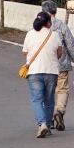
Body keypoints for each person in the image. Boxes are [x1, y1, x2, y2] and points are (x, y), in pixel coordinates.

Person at [22, 10, 62, 138]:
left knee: (37, 100)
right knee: (49, 100)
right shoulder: (54, 35)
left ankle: (42, 124)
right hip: (51, 71)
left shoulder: (29, 34)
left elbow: (25, 52)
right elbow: (59, 53)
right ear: (48, 23)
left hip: (34, 71)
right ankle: (48, 126)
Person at [42, 0, 74, 131]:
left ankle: (48, 120)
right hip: (61, 65)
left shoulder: (37, 26)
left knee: (47, 92)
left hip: (43, 66)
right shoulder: (62, 26)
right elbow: (71, 46)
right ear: (55, 11)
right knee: (62, 90)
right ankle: (59, 111)